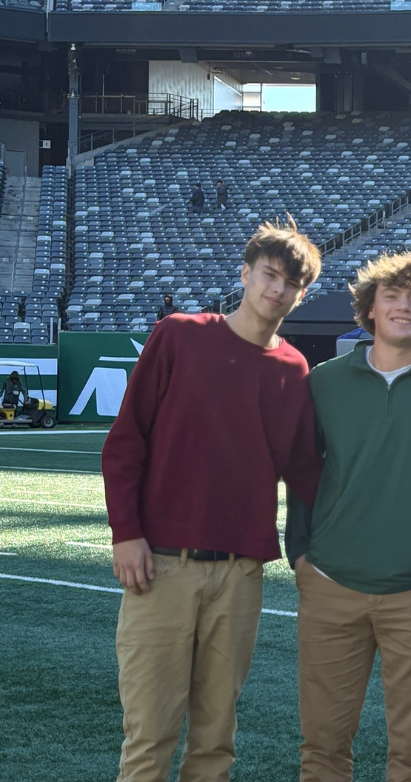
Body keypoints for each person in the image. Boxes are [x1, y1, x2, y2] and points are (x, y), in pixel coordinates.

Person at [101, 218, 324, 782]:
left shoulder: (294, 369)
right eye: (269, 275)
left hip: (241, 574)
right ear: (246, 273)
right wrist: (126, 532)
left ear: (301, 295)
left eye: (291, 284)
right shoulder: (178, 334)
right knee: (149, 737)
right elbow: (126, 442)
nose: (277, 290)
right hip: (161, 565)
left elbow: (306, 472)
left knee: (216, 742)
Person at [285, 251, 411, 782]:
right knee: (323, 742)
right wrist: (299, 554)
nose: (404, 307)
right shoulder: (324, 382)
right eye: (391, 297)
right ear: (369, 309)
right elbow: (303, 473)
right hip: (329, 581)